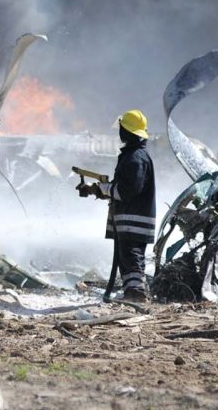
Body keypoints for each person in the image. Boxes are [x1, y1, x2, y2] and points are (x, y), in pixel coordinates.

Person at [79, 109, 156, 301]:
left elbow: (128, 190)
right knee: (128, 256)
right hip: (131, 219)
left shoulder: (135, 158)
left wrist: (101, 189)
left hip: (133, 220)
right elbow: (121, 188)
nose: (119, 133)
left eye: (122, 129)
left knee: (131, 255)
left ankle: (136, 293)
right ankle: (132, 292)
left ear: (127, 131)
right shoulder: (133, 155)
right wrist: (96, 190)